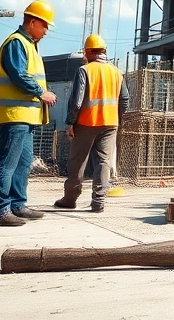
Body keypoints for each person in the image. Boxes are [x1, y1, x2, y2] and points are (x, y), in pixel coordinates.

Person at [0, 0, 58, 226]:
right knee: (7, 163)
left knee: (21, 163)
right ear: (32, 22)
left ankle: (9, 205)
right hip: (13, 116)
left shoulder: (29, 44)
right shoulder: (16, 43)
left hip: (25, 117)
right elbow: (19, 75)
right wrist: (41, 92)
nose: (47, 31)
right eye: (44, 25)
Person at [54, 34, 128, 213]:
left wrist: (70, 122)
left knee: (77, 161)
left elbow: (77, 101)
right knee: (103, 161)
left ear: (87, 52)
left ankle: (70, 199)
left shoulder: (85, 70)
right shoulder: (116, 71)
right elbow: (124, 100)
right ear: (104, 51)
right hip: (110, 123)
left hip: (87, 122)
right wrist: (115, 117)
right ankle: (99, 201)